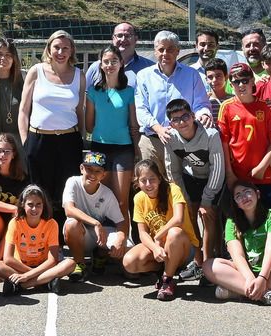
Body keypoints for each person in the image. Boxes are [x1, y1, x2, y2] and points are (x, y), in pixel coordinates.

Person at [203, 182, 271, 305]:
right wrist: (250, 278)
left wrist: (262, 278)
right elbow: (237, 256)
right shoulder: (232, 221)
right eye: (238, 196)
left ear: (257, 194)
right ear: (236, 204)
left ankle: (237, 291)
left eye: (247, 192)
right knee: (208, 266)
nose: (244, 197)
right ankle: (266, 295)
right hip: (243, 272)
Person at [20, 29, 85, 204]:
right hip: (39, 141)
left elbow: (79, 111)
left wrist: (82, 138)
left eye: (65, 48)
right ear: (49, 49)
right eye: (57, 47)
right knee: (38, 195)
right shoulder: (36, 71)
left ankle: (63, 231)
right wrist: (26, 142)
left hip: (69, 142)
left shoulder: (80, 75)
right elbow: (24, 110)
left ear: (72, 50)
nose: (61, 52)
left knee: (67, 196)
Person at [163, 98, 228, 264]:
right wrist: (183, 199)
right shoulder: (170, 138)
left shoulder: (210, 134)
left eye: (185, 116)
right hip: (191, 177)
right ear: (171, 123)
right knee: (190, 217)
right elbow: (173, 172)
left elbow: (218, 168)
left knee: (209, 215)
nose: (182, 122)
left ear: (193, 116)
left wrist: (207, 199)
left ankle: (210, 260)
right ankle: (198, 261)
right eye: (175, 119)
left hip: (212, 178)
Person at [124, 158, 198, 302]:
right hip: (161, 248)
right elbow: (142, 232)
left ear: (159, 178)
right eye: (143, 180)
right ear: (137, 182)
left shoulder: (172, 189)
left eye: (152, 179)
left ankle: (167, 280)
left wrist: (158, 236)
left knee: (174, 233)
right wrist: (155, 248)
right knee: (130, 262)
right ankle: (163, 270)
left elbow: (178, 219)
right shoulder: (138, 198)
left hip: (183, 247)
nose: (148, 184)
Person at [134, 31, 212, 168]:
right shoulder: (143, 76)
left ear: (178, 51)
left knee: (180, 185)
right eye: (161, 49)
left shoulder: (192, 75)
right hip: (152, 141)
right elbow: (141, 109)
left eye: (170, 49)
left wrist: (204, 114)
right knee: (152, 185)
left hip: (184, 141)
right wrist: (158, 129)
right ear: (155, 51)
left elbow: (201, 103)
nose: (165, 53)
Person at [85, 44, 140, 221]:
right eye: (106, 61)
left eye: (114, 61)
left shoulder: (129, 91)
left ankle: (121, 244)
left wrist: (137, 150)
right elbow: (89, 126)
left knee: (121, 201)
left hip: (123, 149)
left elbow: (133, 124)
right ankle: (102, 244)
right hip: (99, 148)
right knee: (101, 199)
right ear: (100, 65)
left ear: (121, 63)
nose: (110, 65)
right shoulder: (93, 92)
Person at [0, 184, 74, 294]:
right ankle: (45, 281)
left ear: (44, 205)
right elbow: (8, 259)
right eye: (30, 204)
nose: (34, 209)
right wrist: (31, 273)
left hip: (43, 266)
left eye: (38, 204)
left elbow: (52, 260)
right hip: (20, 267)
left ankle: (23, 285)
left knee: (70, 263)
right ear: (22, 205)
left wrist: (26, 277)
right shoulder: (15, 223)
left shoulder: (51, 224)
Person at [217, 62, 271, 206]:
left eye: (245, 80)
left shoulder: (266, 107)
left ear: (252, 81)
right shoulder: (226, 107)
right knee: (241, 221)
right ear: (230, 84)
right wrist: (229, 173)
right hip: (238, 176)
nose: (241, 85)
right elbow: (224, 143)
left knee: (268, 217)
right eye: (236, 81)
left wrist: (261, 168)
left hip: (263, 174)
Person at [62, 150, 128, 280]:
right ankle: (79, 264)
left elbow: (121, 222)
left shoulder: (107, 194)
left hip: (100, 235)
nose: (92, 174)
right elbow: (69, 209)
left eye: (98, 171)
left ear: (103, 175)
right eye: (89, 169)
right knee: (72, 224)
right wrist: (96, 223)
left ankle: (101, 254)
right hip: (82, 233)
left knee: (126, 252)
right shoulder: (73, 182)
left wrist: (120, 238)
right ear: (82, 168)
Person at [83, 21, 154, 88]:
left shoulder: (149, 68)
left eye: (127, 36)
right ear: (113, 38)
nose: (123, 39)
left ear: (136, 39)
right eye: (119, 35)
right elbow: (85, 95)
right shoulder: (95, 68)